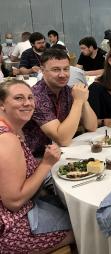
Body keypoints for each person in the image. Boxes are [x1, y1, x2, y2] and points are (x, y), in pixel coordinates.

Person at [0, 80, 75, 253]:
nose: (27, 103)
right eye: (18, 98)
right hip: (12, 229)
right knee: (84, 223)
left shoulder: (12, 129)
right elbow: (14, 202)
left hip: (19, 212)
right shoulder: (7, 140)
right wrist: (46, 164)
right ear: (2, 104)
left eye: (30, 97)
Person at [23, 48, 97, 157]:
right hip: (36, 159)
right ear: (43, 70)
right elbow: (63, 140)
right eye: (56, 69)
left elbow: (92, 126)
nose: (63, 75)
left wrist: (83, 101)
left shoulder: (68, 90)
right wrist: (77, 101)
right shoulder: (35, 96)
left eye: (66, 69)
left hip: (60, 153)